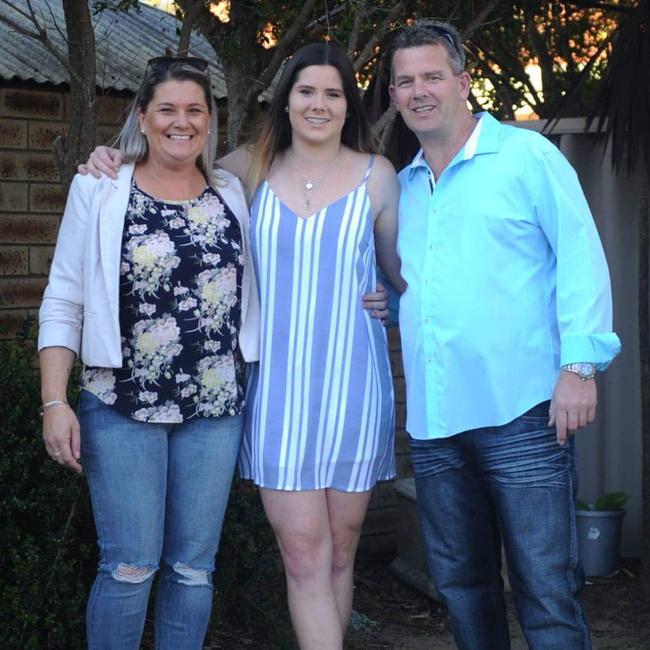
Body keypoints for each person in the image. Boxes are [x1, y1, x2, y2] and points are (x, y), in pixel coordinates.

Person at [81, 42, 403, 650]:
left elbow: (401, 274)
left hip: (354, 387)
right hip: (276, 387)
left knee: (340, 552)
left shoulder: (378, 176)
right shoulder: (244, 170)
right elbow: (168, 162)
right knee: (305, 552)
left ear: (348, 103)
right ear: (286, 100)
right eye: (306, 91)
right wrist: (109, 156)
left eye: (333, 93)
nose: (318, 103)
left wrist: (390, 298)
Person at [387, 20, 621, 650]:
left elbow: (581, 258)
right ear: (392, 94)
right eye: (405, 81)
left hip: (523, 412)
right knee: (462, 586)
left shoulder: (526, 156)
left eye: (433, 75)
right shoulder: (404, 186)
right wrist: (390, 302)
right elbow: (424, 287)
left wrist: (580, 366)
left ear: (463, 82)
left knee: (546, 590)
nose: (419, 91)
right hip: (435, 425)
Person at [39, 57, 259, 650]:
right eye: (167, 109)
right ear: (143, 116)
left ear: (210, 121)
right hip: (121, 405)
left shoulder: (232, 194)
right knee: (129, 567)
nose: (180, 122)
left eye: (194, 110)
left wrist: (379, 291)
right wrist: (54, 401)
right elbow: (63, 299)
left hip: (216, 408)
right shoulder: (101, 188)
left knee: (193, 571)